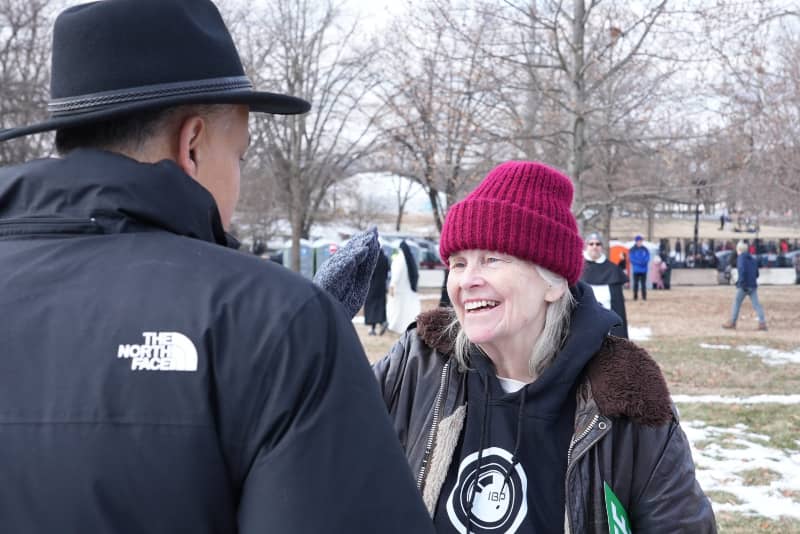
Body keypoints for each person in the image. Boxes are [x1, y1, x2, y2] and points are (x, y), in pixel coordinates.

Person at [0, 1, 435, 532]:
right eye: (241, 156)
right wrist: (288, 336)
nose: (238, 177)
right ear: (193, 144)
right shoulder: (278, 322)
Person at [373, 161, 716, 534]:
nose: (467, 281)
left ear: (553, 283)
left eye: (492, 259)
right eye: (458, 263)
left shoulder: (626, 393)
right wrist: (315, 337)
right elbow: (322, 454)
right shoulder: (418, 362)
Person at [580, 232, 629, 338]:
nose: (594, 247)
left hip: (607, 322)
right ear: (586, 246)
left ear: (602, 247)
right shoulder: (577, 268)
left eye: (598, 244)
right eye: (591, 244)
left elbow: (618, 306)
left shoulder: (612, 269)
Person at [723, 241, 768, 331]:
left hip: (744, 285)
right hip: (753, 285)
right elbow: (757, 274)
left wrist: (740, 283)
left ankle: (732, 322)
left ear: (739, 249)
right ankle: (762, 323)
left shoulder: (741, 258)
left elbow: (742, 271)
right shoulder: (752, 258)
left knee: (736, 302)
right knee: (757, 305)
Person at [386, 239, 422, 333]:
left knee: (396, 310)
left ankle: (394, 326)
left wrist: (392, 286)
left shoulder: (399, 259)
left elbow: (396, 275)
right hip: (407, 289)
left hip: (398, 290)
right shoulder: (407, 258)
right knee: (406, 310)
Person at [365, 246, 390, 335]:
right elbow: (388, 271)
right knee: (380, 307)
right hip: (381, 287)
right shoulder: (385, 258)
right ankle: (382, 322)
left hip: (371, 287)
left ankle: (372, 329)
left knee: (371, 308)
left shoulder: (372, 259)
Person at [629, 234, 650, 301]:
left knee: (643, 284)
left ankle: (644, 297)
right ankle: (635, 297)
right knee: (635, 284)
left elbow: (647, 257)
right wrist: (638, 262)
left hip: (644, 270)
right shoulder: (632, 249)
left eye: (640, 241)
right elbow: (632, 259)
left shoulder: (645, 249)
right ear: (636, 241)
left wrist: (643, 262)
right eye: (638, 241)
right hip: (636, 269)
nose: (639, 242)